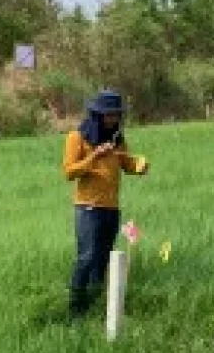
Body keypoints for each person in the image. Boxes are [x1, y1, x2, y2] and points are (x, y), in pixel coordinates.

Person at [62, 89, 149, 318]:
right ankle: (76, 307)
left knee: (103, 258)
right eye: (108, 115)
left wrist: (139, 166)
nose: (112, 119)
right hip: (88, 208)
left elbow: (126, 163)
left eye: (116, 115)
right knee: (87, 257)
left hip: (111, 209)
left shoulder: (117, 139)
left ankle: (94, 303)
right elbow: (69, 172)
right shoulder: (77, 137)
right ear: (97, 115)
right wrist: (94, 158)